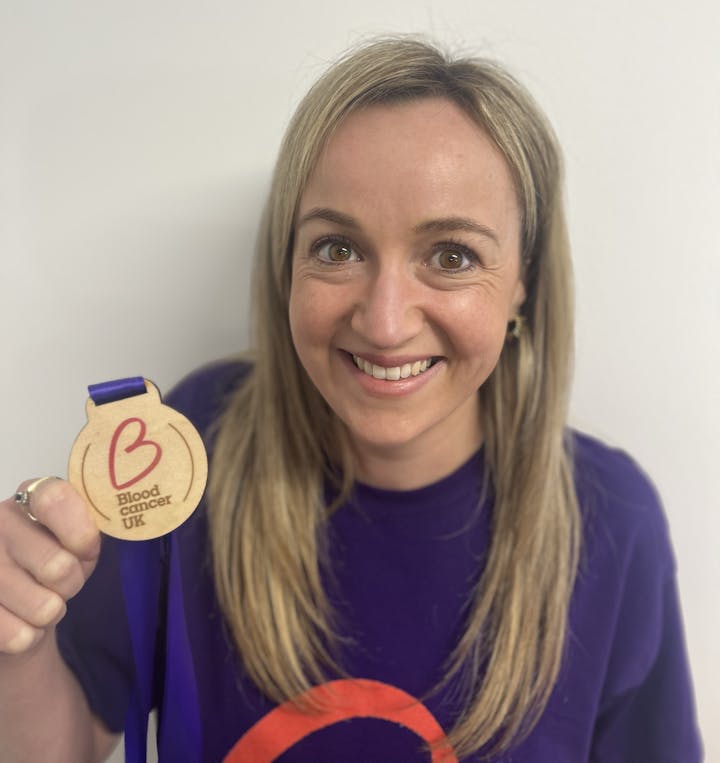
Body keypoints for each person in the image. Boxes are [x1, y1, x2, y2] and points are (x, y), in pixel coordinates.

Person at [0, 37, 702, 762]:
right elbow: (63, 746)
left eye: (452, 255)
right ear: (287, 264)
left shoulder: (611, 520)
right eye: (338, 249)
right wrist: (16, 643)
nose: (386, 321)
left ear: (523, 284)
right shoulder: (191, 449)